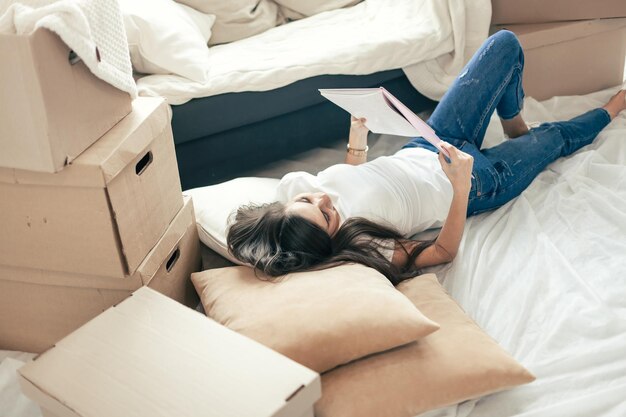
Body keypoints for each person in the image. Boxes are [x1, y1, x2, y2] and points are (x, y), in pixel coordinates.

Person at [227, 30, 626, 285]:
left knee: (503, 44)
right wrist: (460, 189)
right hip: (477, 181)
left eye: (310, 201)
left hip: (428, 144)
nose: (322, 199)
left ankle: (513, 122)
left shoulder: (299, 194)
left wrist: (357, 142)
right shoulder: (366, 247)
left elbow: (348, 186)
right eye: (326, 214)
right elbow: (441, 253)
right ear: (329, 238)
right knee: (553, 138)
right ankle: (615, 105)